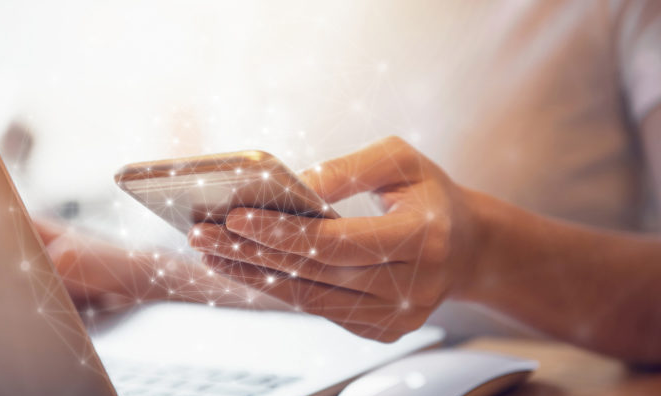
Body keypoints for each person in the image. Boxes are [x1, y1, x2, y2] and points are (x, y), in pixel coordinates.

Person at [34, 0, 661, 366]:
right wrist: (130, 274)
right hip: (318, 395)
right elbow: (307, 271)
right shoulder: (252, 25)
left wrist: (485, 251)